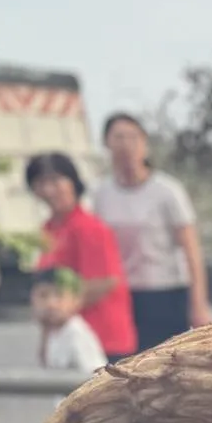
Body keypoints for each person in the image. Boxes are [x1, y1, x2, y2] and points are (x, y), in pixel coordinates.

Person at [91, 112, 211, 353]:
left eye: (133, 138)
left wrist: (199, 303)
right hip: (124, 295)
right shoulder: (101, 194)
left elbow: (191, 250)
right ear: (107, 143)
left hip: (166, 292)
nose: (126, 145)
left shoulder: (167, 191)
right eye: (119, 138)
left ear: (144, 143)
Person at [26, 152, 135, 359]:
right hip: (66, 339)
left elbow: (105, 281)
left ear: (73, 182)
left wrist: (59, 308)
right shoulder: (48, 229)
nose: (49, 190)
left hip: (100, 339)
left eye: (55, 181)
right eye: (40, 183)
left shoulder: (89, 227)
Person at [30, 275, 107, 378]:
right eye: (43, 296)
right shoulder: (51, 331)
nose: (51, 304)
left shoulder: (76, 332)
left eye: (59, 296)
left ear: (76, 300)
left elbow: (97, 378)